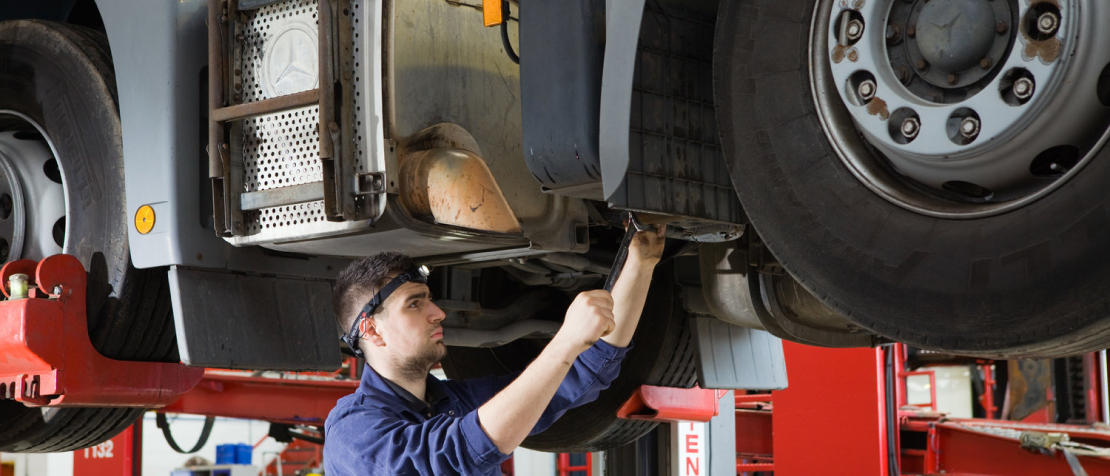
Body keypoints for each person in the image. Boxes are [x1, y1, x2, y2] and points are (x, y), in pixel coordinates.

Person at [323, 225, 666, 475]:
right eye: (415, 304)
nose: (438, 312)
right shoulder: (352, 432)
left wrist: (642, 262)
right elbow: (446, 458)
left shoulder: (454, 403)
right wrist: (564, 342)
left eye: (429, 299)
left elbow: (581, 378)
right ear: (372, 330)